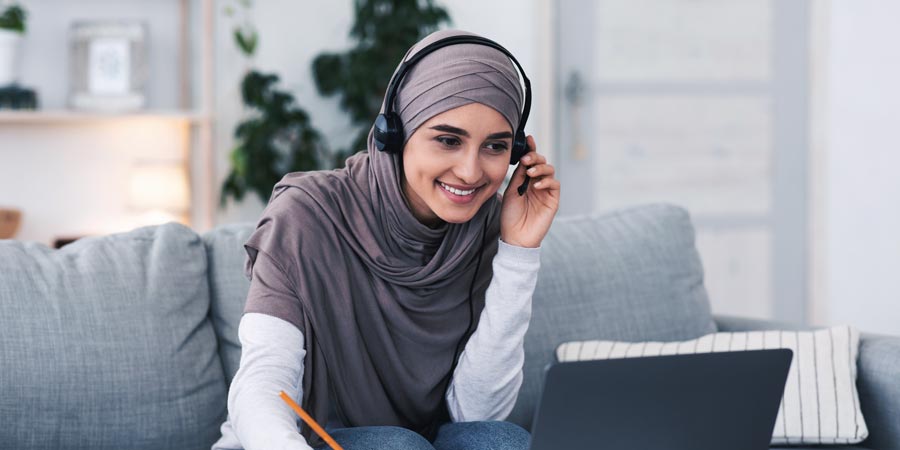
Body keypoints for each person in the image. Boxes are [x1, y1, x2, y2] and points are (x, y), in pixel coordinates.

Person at [211, 28, 560, 450]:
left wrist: (518, 252)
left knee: (501, 440)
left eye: (494, 146)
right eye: (448, 140)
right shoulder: (306, 213)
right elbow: (264, 382)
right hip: (296, 440)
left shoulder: (488, 223)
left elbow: (477, 414)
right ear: (394, 132)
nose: (470, 172)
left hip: (423, 441)